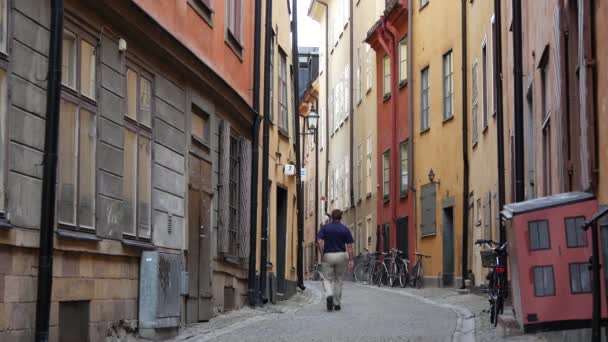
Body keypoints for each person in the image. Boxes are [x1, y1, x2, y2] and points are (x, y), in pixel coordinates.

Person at [317, 209, 354, 311]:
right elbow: (349, 246)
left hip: (328, 255)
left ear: (332, 217)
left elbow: (319, 242)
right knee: (338, 280)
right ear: (341, 217)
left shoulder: (325, 228)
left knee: (326, 278)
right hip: (341, 255)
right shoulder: (345, 229)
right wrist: (351, 260)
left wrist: (322, 254)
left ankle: (329, 294)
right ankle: (337, 304)